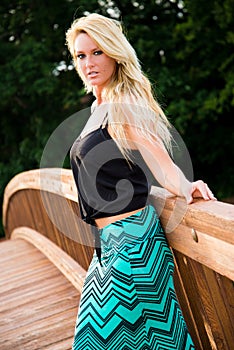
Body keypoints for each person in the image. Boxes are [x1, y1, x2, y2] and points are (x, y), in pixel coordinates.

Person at [66, 13, 216, 350]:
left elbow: (162, 166)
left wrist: (186, 186)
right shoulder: (97, 108)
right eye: (81, 55)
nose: (88, 63)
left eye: (97, 52)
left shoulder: (126, 104)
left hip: (134, 243)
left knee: (125, 339)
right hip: (107, 245)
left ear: (115, 53)